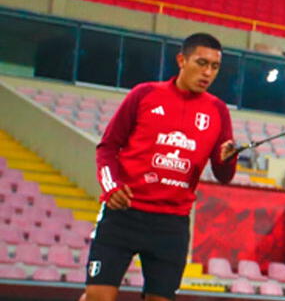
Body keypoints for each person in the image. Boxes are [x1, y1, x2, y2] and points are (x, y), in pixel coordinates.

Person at [84, 33, 237, 301]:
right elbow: (108, 147)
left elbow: (224, 175)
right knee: (98, 296)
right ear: (182, 60)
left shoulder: (218, 110)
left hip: (172, 224)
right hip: (124, 214)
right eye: (201, 63)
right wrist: (111, 187)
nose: (208, 72)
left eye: (214, 67)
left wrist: (229, 158)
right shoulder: (144, 94)